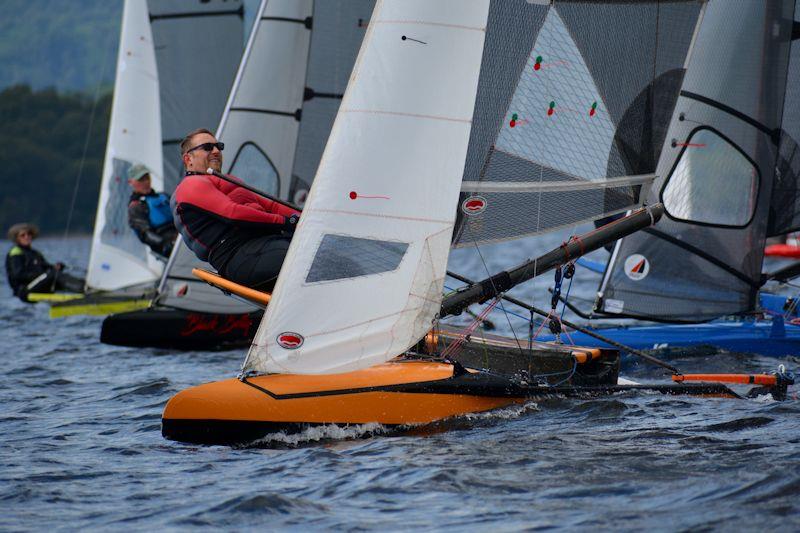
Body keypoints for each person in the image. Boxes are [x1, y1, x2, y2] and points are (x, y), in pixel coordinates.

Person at [172, 128, 300, 291]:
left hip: (266, 243)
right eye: (208, 147)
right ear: (188, 159)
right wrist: (285, 222)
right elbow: (232, 212)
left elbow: (271, 206)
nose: (217, 151)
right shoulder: (190, 185)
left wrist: (307, 219)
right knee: (310, 257)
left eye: (219, 146)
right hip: (241, 256)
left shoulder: (227, 180)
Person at [5, 223, 85, 302]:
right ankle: (83, 288)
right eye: (23, 235)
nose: (27, 237)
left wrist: (56, 267)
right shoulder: (15, 252)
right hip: (25, 290)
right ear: (17, 238)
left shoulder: (36, 253)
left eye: (29, 234)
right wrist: (42, 274)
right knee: (53, 274)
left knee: (57, 275)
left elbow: (46, 267)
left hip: (39, 284)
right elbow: (18, 275)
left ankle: (85, 288)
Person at [127, 163, 178, 259]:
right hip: (166, 245)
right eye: (141, 179)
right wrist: (166, 244)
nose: (145, 182)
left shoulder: (164, 196)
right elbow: (145, 234)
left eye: (147, 178)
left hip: (181, 236)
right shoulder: (136, 207)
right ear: (131, 182)